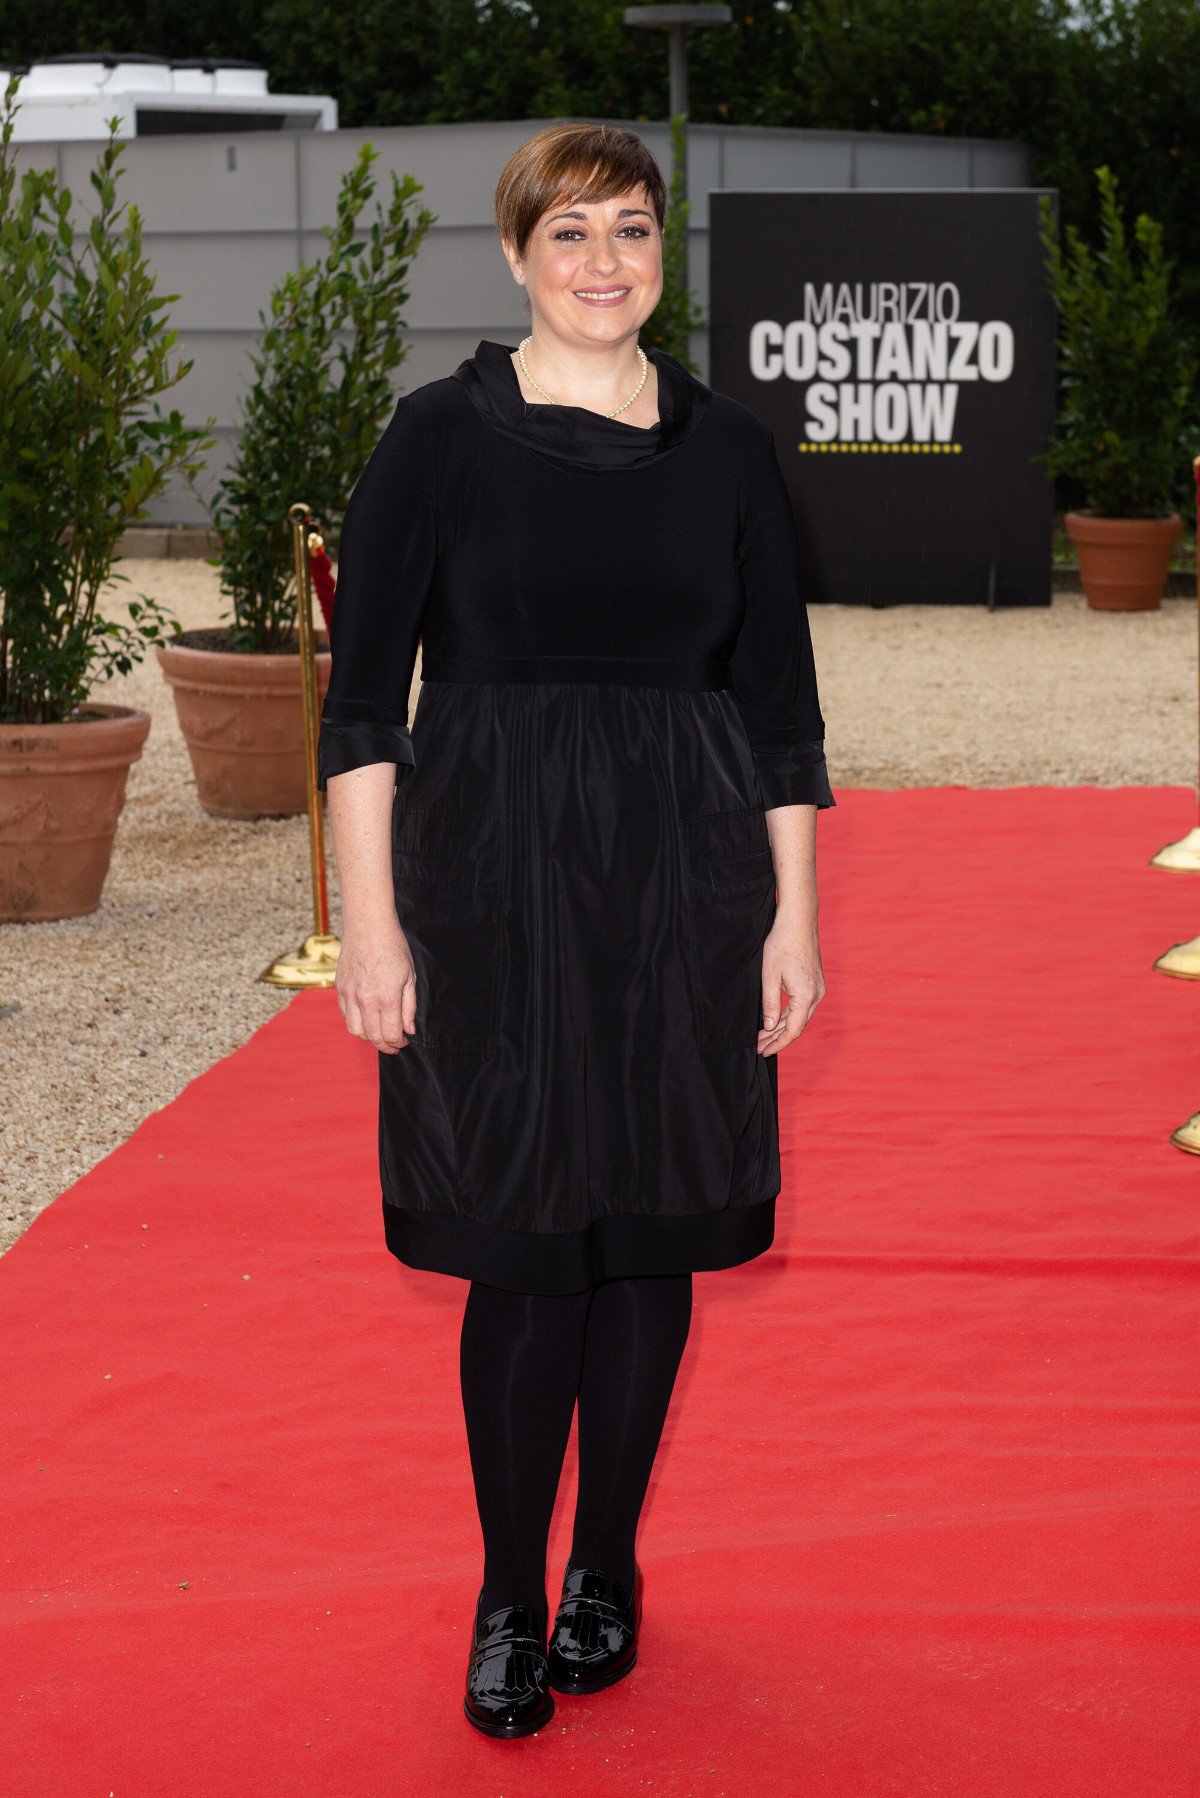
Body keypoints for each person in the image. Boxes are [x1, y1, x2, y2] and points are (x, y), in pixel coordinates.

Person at [316, 121, 834, 1741]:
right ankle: (507, 1593)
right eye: (570, 232)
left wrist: (795, 918)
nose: (604, 261)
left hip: (687, 880)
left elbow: (779, 706)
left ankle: (606, 1564)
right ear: (516, 255)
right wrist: (369, 926)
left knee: (653, 1231)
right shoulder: (436, 439)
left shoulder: (728, 449)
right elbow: (358, 708)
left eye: (630, 229)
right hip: (491, 885)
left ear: (662, 252)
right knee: (528, 1245)